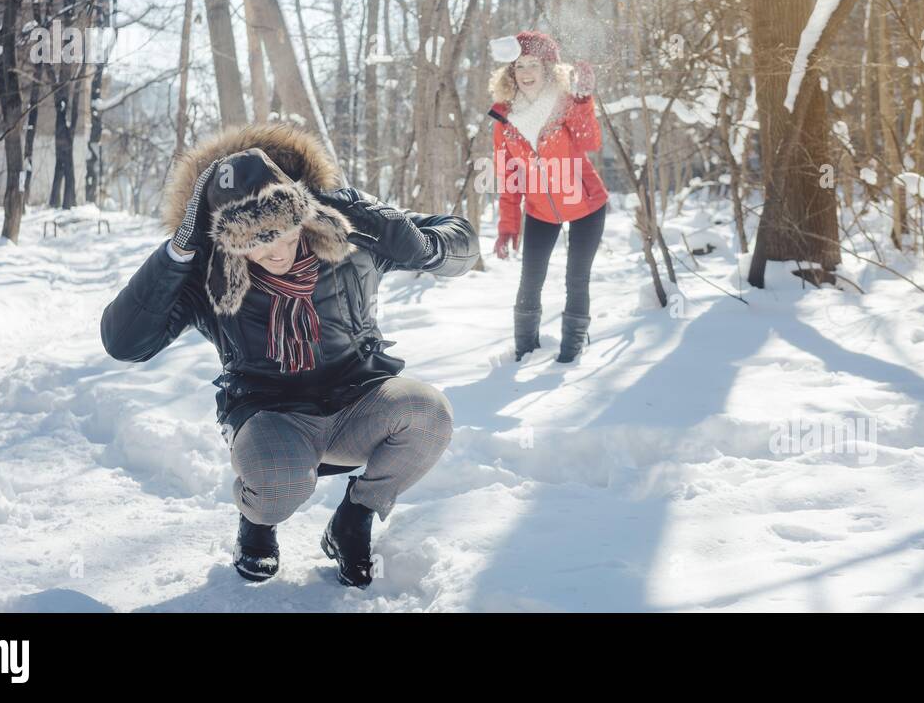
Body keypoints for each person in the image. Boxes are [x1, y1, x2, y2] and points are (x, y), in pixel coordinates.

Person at [99, 122, 477, 588]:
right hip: (271, 414)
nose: (275, 250)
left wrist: (410, 239)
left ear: (300, 211)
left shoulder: (347, 236)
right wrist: (177, 252)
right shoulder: (210, 276)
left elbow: (462, 242)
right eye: (254, 240)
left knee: (428, 414)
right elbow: (124, 343)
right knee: (279, 483)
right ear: (228, 242)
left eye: (282, 230)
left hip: (357, 400)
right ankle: (257, 524)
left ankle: (352, 519)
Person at [488, 30, 609, 363]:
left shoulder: (567, 103)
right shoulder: (504, 118)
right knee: (531, 280)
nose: (526, 73)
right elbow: (508, 176)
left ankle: (570, 356)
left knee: (576, 278)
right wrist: (508, 226)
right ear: (510, 73)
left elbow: (590, 142)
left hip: (587, 205)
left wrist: (584, 100)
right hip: (540, 211)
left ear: (548, 68)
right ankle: (524, 353)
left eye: (533, 65)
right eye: (519, 66)